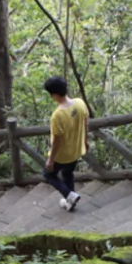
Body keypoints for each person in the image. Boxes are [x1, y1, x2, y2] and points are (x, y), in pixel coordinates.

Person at [42, 76, 89, 211]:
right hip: (76, 150)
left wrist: (51, 160)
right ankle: (71, 202)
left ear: (54, 94)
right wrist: (85, 141)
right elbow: (86, 122)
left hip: (62, 155)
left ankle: (69, 195)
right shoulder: (80, 103)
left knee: (48, 175)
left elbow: (57, 141)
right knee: (68, 174)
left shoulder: (58, 115)